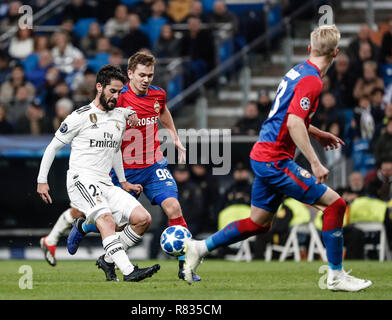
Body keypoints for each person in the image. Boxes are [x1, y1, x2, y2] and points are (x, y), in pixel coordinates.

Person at [183, 25, 373, 291]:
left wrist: (317, 133)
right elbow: (294, 122)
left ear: (310, 49)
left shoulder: (298, 71)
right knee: (336, 205)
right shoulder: (313, 81)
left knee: (258, 223)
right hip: (275, 160)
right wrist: (315, 162)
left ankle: (199, 247)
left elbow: (287, 117)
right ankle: (336, 275)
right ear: (336, 54)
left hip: (263, 155)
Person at [66, 52, 200, 281]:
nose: (146, 79)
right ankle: (84, 227)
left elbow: (163, 110)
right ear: (130, 74)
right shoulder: (118, 97)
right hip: (123, 170)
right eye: (141, 75)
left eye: (150, 75)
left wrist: (174, 136)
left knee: (174, 208)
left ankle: (184, 266)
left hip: (153, 164)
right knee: (117, 225)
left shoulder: (158, 95)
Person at [37, 65, 160, 281]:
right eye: (112, 91)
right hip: (80, 180)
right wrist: (41, 180)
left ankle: (108, 260)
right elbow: (52, 147)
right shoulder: (80, 116)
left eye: (120, 92)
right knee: (105, 219)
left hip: (105, 182)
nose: (116, 97)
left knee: (143, 219)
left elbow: (114, 151)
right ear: (99, 87)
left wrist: (123, 182)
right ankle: (129, 271)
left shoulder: (119, 116)